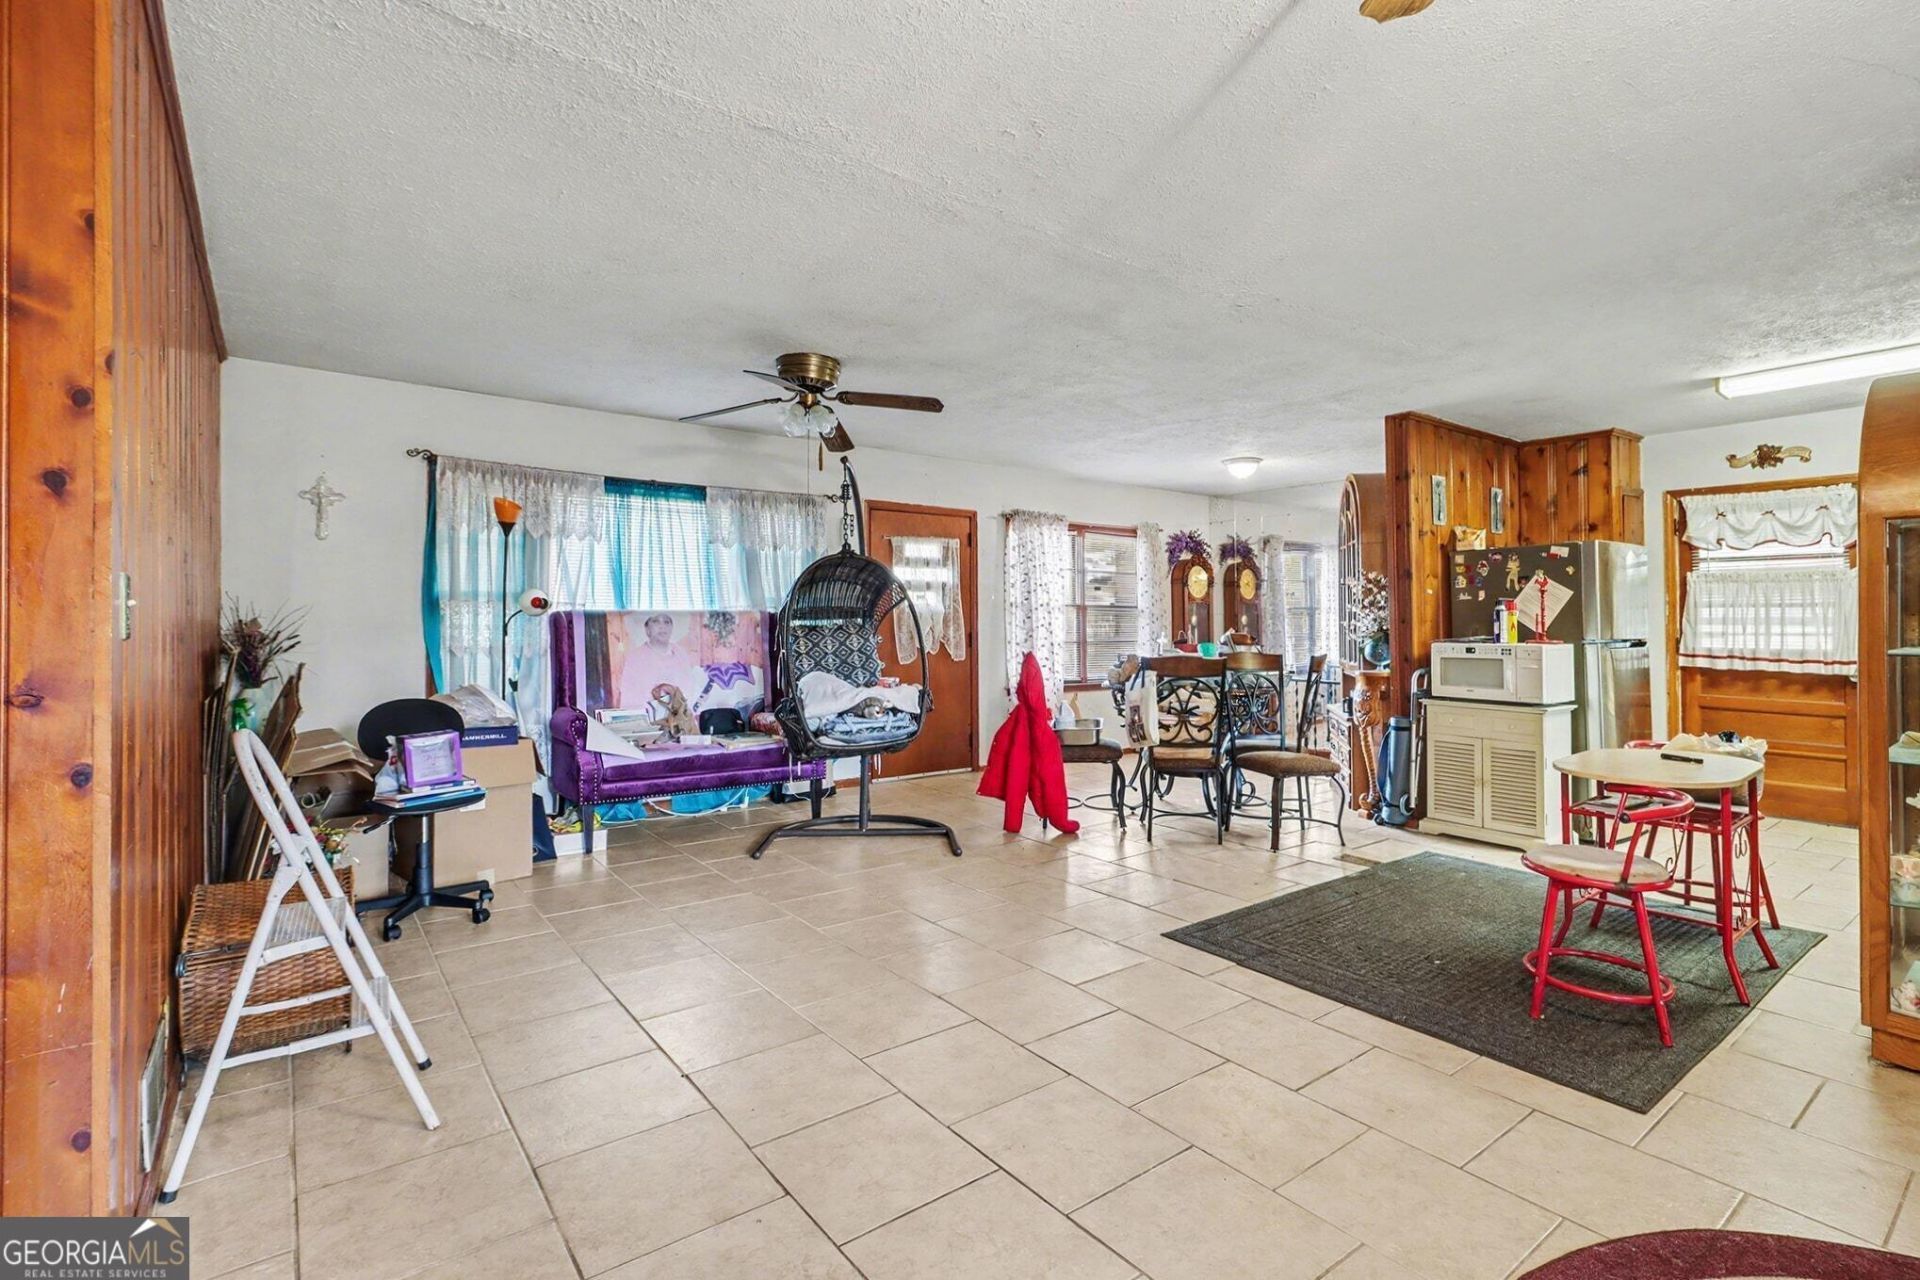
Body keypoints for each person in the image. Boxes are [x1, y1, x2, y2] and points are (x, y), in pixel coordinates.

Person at [610, 613, 706, 715]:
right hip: (649, 719)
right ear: (647, 629)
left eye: (666, 622)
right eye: (656, 621)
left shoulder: (681, 654)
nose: (662, 626)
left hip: (681, 718)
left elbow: (689, 690)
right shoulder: (636, 658)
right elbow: (630, 700)